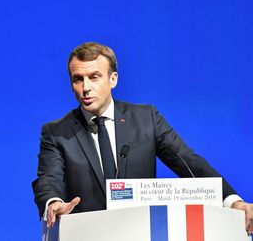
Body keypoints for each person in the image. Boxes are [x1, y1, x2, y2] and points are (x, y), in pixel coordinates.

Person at [32, 42, 253, 233]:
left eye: (94, 77)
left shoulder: (146, 119)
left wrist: (232, 201)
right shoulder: (56, 132)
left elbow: (188, 162)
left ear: (113, 79)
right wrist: (53, 202)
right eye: (77, 79)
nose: (86, 88)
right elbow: (48, 179)